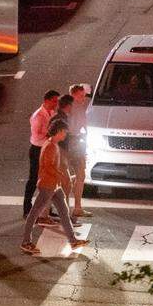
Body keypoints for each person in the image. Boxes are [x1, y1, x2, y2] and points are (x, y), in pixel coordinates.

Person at [21, 120, 91, 255]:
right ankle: (26, 242)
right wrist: (61, 175)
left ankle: (73, 241)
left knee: (64, 212)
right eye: (64, 132)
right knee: (34, 213)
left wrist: (60, 176)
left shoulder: (53, 144)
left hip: (55, 186)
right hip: (48, 185)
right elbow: (47, 166)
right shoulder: (50, 146)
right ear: (58, 131)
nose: (65, 135)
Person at [22, 90, 60, 217]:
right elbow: (36, 135)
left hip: (47, 148)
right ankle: (27, 209)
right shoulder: (38, 116)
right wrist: (50, 134)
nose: (56, 104)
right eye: (54, 101)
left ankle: (46, 210)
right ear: (46, 101)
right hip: (37, 149)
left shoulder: (52, 113)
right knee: (33, 179)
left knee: (47, 179)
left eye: (57, 101)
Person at [64, 84, 92, 219]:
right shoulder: (69, 108)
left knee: (80, 174)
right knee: (76, 175)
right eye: (81, 96)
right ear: (72, 95)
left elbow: (84, 125)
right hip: (70, 142)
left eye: (84, 95)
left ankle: (77, 207)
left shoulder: (79, 107)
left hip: (77, 142)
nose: (83, 98)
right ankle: (73, 207)